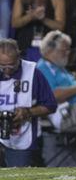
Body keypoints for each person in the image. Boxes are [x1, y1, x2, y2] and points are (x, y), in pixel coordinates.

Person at [0, 38, 57, 167]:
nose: (7, 70)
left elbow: (50, 105)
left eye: (11, 65)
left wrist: (28, 112)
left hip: (21, 136)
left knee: (18, 177)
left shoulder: (33, 73)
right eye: (2, 66)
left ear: (19, 58)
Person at [36, 30, 76, 134]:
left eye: (69, 49)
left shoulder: (59, 67)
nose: (68, 52)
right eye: (64, 49)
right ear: (51, 50)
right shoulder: (42, 67)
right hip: (65, 113)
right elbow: (52, 96)